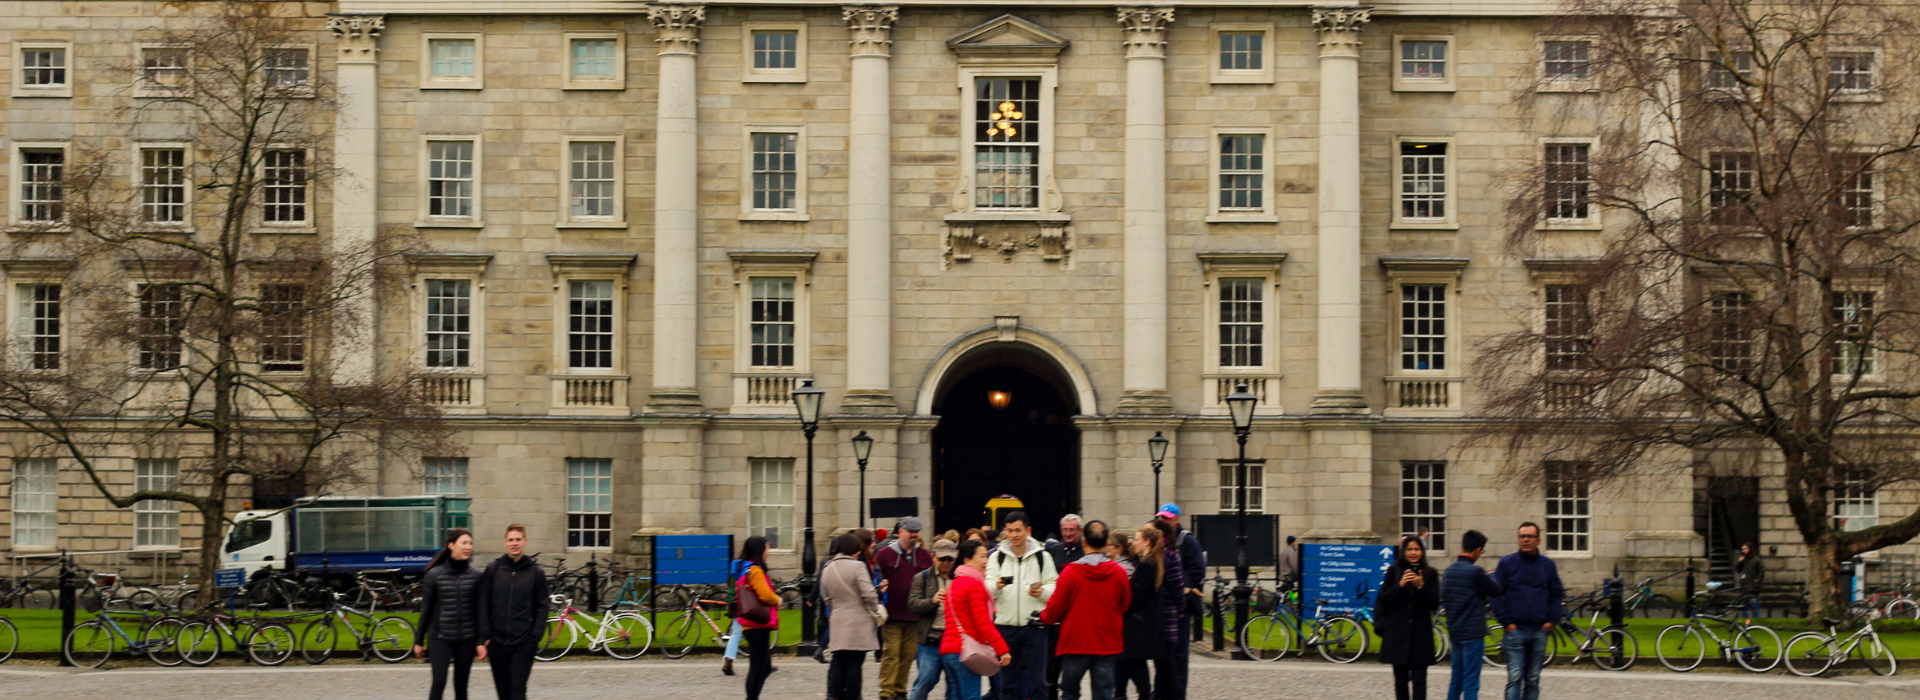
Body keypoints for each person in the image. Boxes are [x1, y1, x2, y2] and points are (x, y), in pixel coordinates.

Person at [1042, 520, 1130, 700]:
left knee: (1070, 692)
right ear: (1106, 544)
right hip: (1106, 641)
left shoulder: (1070, 573)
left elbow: (1056, 607)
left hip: (1076, 641)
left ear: (1084, 542)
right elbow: (1124, 604)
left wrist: (1045, 617)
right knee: (1104, 693)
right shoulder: (1119, 573)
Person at [985, 511, 1056, 700]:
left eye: (1018, 530)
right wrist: (996, 586)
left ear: (1028, 531)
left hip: (1035, 628)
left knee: (1039, 683)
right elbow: (986, 589)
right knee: (1007, 684)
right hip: (1005, 627)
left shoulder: (1043, 557)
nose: (1014, 535)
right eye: (1009, 531)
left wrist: (1043, 592)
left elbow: (1054, 587)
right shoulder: (996, 557)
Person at [1492, 522, 1564, 700]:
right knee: (1514, 678)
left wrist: (1552, 620)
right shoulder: (1507, 563)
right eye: (1522, 536)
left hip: (1540, 630)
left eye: (1530, 536)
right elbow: (1494, 594)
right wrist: (1506, 623)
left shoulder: (1548, 565)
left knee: (1533, 679)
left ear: (1538, 540)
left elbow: (1557, 594)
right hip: (1515, 631)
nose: (1525, 540)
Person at [415, 529, 487, 700]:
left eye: (470, 543)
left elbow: (481, 611)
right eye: (464, 543)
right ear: (451, 545)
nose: (468, 547)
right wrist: (419, 641)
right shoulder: (434, 574)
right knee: (439, 682)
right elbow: (427, 610)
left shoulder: (476, 576)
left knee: (461, 686)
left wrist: (481, 641)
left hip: (467, 638)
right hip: (440, 637)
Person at [478, 524, 548, 700]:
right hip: (497, 642)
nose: (514, 543)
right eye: (511, 540)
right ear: (505, 543)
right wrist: (485, 636)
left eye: (518, 539)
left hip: (523, 642)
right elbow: (483, 603)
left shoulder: (536, 572)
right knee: (503, 693)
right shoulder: (493, 570)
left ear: (525, 542)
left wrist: (535, 636)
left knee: (518, 691)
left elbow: (542, 606)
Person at [945, 539, 1013, 700]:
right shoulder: (974, 585)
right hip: (966, 652)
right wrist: (1002, 649)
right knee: (972, 697)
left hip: (949, 651)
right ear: (967, 560)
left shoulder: (954, 583)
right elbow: (983, 622)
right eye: (982, 557)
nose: (986, 561)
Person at [876, 518, 934, 700]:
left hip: (915, 615)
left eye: (916, 531)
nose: (914, 534)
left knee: (908, 655)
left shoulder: (925, 556)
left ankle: (900, 690)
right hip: (892, 613)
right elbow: (876, 580)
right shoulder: (884, 555)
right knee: (891, 654)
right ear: (900, 532)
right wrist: (880, 590)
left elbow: (931, 582)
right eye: (910, 531)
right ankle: (886, 692)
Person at [1378, 536, 1442, 700]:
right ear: (1404, 551)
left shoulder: (1430, 573)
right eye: (1410, 549)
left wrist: (1421, 586)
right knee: (1400, 682)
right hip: (1398, 635)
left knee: (1419, 682)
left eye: (1417, 549)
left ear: (1422, 552)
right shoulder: (1394, 571)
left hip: (1420, 636)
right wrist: (1400, 585)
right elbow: (1384, 598)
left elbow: (1433, 604)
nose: (1413, 553)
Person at [1153, 504, 1205, 700]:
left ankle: (1178, 692)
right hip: (1164, 606)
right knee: (1163, 653)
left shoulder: (1187, 541)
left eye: (1167, 518)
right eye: (1161, 518)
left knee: (1179, 653)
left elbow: (1197, 570)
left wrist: (1185, 586)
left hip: (1180, 604)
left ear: (1176, 519)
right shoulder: (1160, 541)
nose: (1163, 521)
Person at [824, 532, 885, 700]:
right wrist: (876, 607)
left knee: (840, 662)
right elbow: (869, 594)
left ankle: (835, 695)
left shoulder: (828, 568)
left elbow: (827, 597)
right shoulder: (857, 567)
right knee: (855, 664)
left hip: (838, 619)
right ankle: (852, 696)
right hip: (858, 620)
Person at [1442, 530, 1501, 700]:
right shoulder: (1476, 572)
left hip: (1455, 631)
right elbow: (1496, 591)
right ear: (1478, 550)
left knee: (1456, 680)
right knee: (1471, 681)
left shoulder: (1449, 571)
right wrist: (1492, 577)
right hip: (1473, 633)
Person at [1116, 525, 1165, 700]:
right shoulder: (1150, 562)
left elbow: (1136, 594)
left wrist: (1119, 606)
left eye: (1137, 539)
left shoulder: (1147, 564)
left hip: (1138, 622)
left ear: (1147, 542)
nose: (1133, 543)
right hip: (1141, 621)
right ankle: (1126, 694)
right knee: (1133, 662)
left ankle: (1138, 694)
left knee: (1132, 661)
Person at [911, 537, 962, 700]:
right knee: (926, 681)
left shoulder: (960, 577)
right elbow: (912, 605)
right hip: (930, 639)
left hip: (954, 639)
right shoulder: (922, 578)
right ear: (933, 556)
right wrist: (932, 601)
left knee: (955, 685)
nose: (946, 562)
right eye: (942, 558)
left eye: (950, 558)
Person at [735, 536, 782, 700]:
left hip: (758, 625)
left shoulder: (754, 569)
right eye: (768, 548)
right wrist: (778, 599)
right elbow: (765, 595)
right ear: (759, 551)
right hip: (755, 625)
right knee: (757, 666)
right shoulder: (755, 570)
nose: (769, 552)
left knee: (764, 666)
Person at [1149, 520, 1185, 700]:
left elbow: (1177, 586)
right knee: (1161, 661)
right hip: (1158, 615)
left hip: (1167, 614)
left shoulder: (1169, 556)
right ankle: (1160, 694)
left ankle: (1169, 695)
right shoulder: (1154, 555)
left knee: (1166, 661)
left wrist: (1181, 607)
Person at [1735, 543, 1764, 616]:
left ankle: (1755, 621)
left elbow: (1761, 573)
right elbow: (1738, 570)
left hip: (1753, 586)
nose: (1743, 550)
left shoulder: (1756, 559)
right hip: (1744, 586)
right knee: (1743, 605)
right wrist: (1740, 561)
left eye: (1745, 549)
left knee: (1754, 605)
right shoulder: (1744, 559)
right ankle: (1745, 621)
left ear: (1750, 549)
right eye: (1742, 549)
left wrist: (1756, 583)